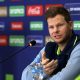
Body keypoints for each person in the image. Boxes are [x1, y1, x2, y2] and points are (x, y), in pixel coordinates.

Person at [21, 6, 80, 80]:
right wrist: (43, 71)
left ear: (70, 25)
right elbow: (26, 77)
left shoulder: (78, 49)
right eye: (51, 27)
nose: (55, 30)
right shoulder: (49, 48)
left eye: (60, 25)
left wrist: (39, 76)